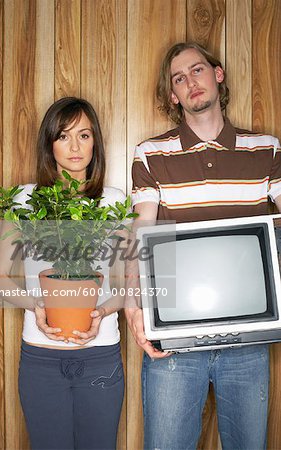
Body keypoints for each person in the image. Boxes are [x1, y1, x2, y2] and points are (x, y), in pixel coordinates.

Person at [125, 42, 281, 450]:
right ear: (173, 95)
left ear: (218, 74)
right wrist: (131, 304)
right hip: (173, 338)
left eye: (197, 70)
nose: (190, 82)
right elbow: (140, 230)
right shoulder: (150, 154)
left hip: (249, 337)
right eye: (179, 78)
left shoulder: (267, 149)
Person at [0, 97, 125, 450]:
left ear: (96, 141)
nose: (75, 147)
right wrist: (35, 305)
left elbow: (129, 285)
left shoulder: (113, 201)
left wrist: (101, 313)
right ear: (49, 143)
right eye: (64, 136)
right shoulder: (23, 200)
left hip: (101, 356)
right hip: (40, 358)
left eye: (84, 135)